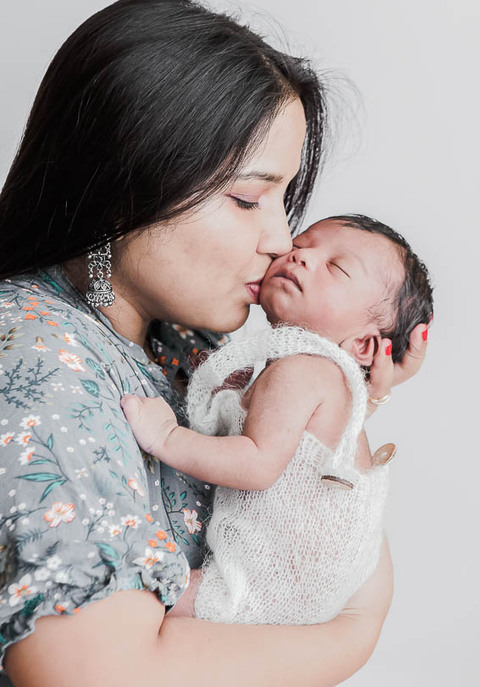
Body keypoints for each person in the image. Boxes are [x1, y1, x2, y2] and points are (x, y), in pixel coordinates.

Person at [0, 0, 428, 687]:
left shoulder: (178, 340)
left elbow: (299, 547)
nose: (281, 241)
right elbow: (96, 672)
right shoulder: (37, 361)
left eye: (283, 200)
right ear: (125, 180)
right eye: (245, 198)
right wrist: (355, 633)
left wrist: (348, 394)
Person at [122, 214, 433, 624]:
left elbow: (256, 463)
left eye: (336, 268)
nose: (301, 258)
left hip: (265, 585)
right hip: (303, 589)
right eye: (301, 244)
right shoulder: (319, 377)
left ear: (362, 344)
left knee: (135, 601)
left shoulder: (305, 369)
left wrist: (166, 437)